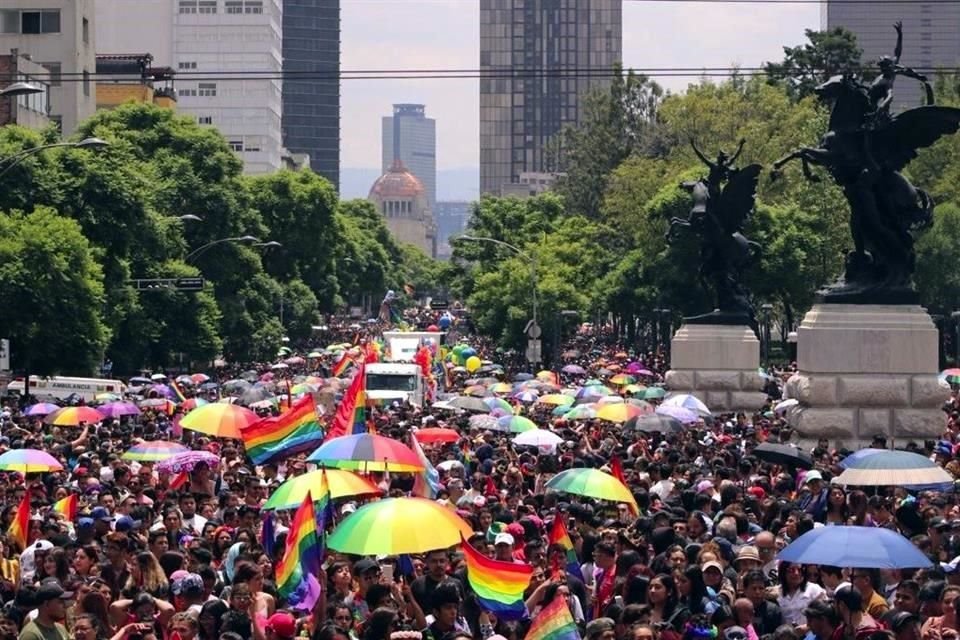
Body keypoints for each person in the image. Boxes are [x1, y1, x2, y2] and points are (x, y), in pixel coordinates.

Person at [777, 561, 826, 626]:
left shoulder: (814, 589)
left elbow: (825, 614)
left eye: (800, 570)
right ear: (783, 573)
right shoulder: (777, 591)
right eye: (791, 570)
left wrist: (807, 627)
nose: (796, 573)